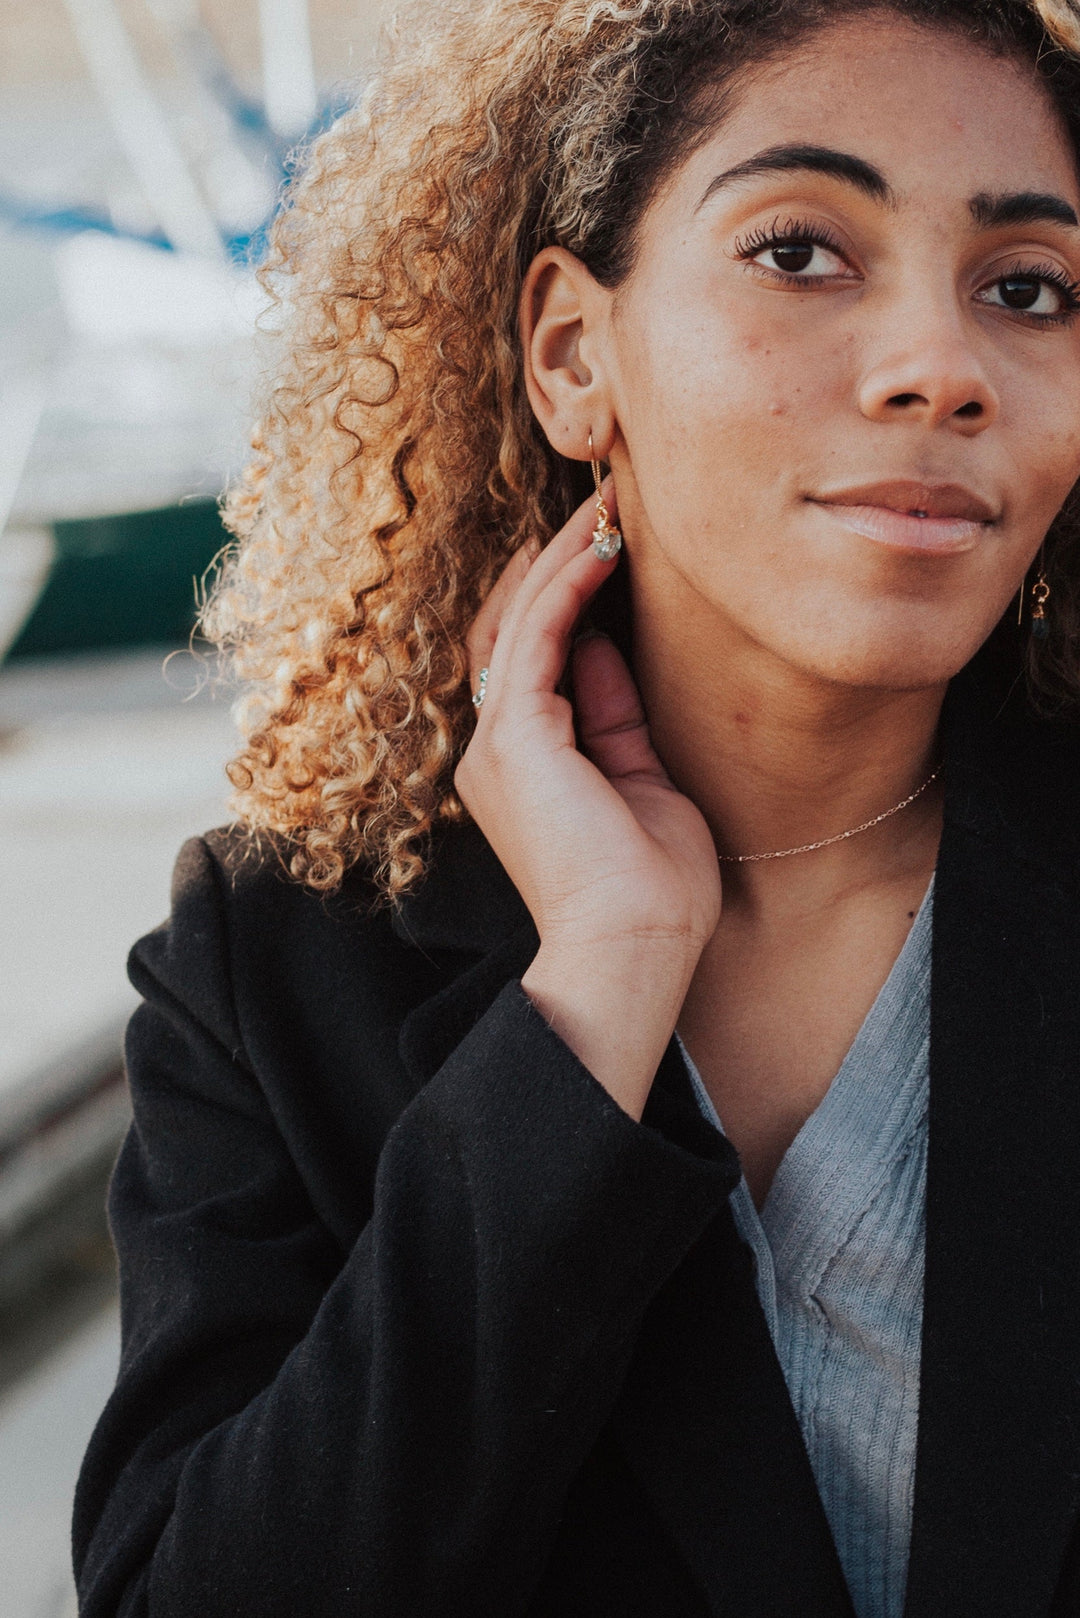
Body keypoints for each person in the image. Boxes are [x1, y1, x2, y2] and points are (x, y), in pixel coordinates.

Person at [74, 1, 1080, 1613]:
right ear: (569, 355)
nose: (940, 369)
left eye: (1027, 288)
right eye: (800, 252)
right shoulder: (271, 967)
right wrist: (592, 1000)